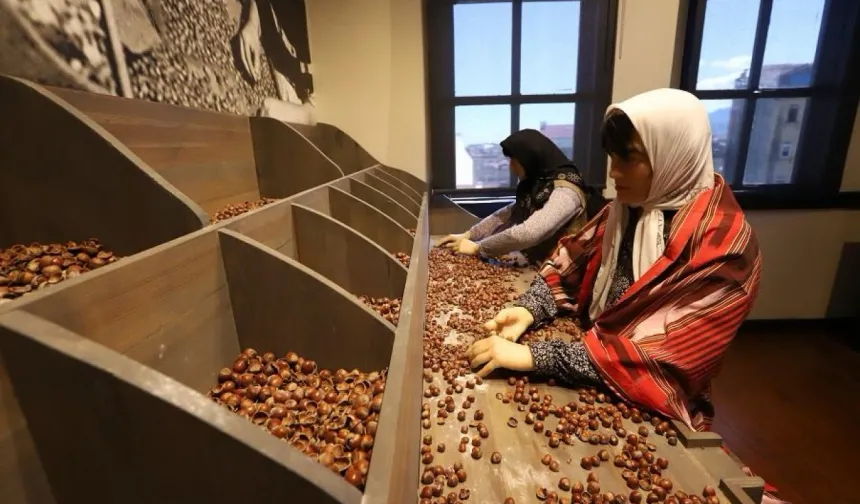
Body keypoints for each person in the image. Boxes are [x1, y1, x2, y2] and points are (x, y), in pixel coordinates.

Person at [466, 88, 762, 432]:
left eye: (628, 158)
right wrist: (530, 308)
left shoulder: (725, 246)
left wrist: (537, 356)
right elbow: (570, 263)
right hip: (586, 368)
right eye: (611, 156)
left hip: (653, 404)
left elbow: (661, 358)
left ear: (673, 155)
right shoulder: (624, 211)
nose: (613, 172)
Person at [437, 129, 606, 264]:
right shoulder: (539, 183)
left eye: (514, 161)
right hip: (537, 264)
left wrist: (478, 248)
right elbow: (508, 214)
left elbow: (530, 232)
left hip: (560, 274)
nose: (511, 167)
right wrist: (468, 235)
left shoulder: (565, 191)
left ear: (529, 160)